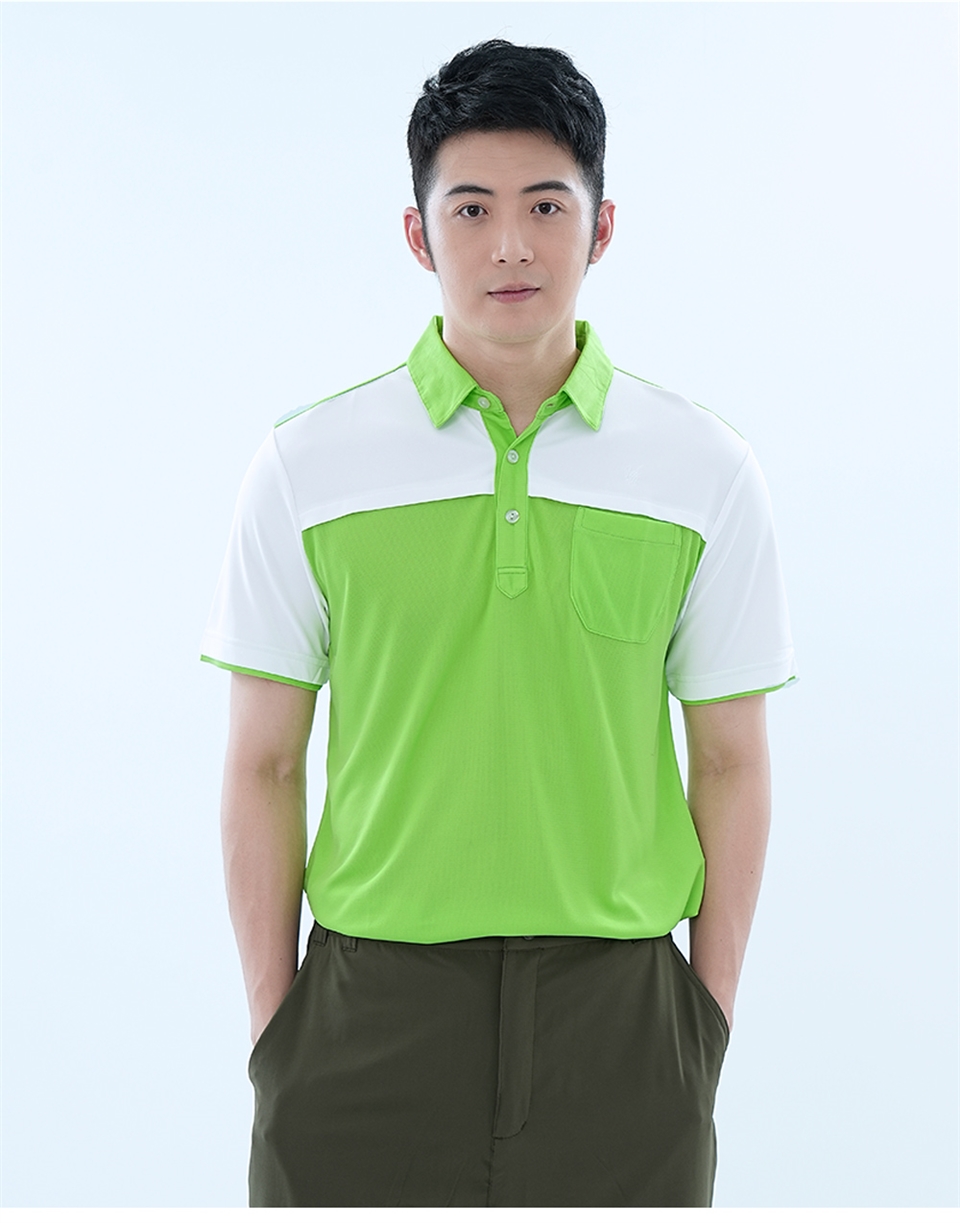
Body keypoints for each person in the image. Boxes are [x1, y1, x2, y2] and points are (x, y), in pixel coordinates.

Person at [200, 38, 796, 1208]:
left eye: (545, 205)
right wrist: (279, 1037)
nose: (511, 244)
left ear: (602, 227)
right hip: (365, 1016)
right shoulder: (307, 467)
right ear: (418, 234)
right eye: (471, 208)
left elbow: (732, 760)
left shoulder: (705, 470)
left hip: (625, 1020)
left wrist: (704, 1021)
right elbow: (262, 762)